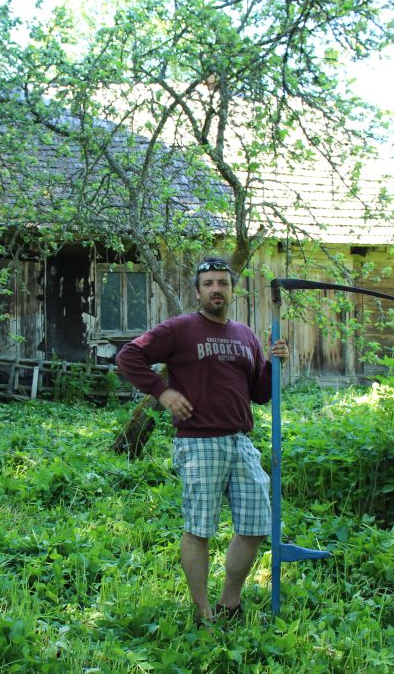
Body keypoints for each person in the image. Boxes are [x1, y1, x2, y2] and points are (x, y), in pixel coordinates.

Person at [116, 257, 289, 626]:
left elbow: (259, 395)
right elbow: (129, 355)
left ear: (231, 290)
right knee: (200, 529)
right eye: (208, 283)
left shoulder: (245, 335)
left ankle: (229, 603)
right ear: (198, 292)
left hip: (240, 441)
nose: (216, 289)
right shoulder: (181, 329)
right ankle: (202, 610)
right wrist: (161, 393)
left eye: (223, 283)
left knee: (257, 524)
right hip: (198, 443)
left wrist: (273, 364)